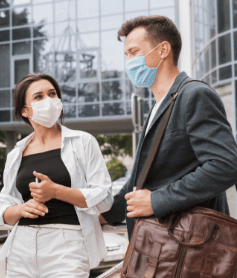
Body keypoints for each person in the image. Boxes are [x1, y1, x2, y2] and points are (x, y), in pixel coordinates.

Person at [99, 16, 237, 238]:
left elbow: (224, 166)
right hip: (161, 247)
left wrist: (156, 200)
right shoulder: (157, 107)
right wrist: (98, 217)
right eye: (126, 55)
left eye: (133, 52)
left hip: (191, 248)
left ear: (163, 50)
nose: (128, 61)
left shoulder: (194, 95)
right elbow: (137, 184)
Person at [0, 73, 113, 278]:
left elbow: (105, 199)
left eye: (52, 94)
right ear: (24, 110)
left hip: (67, 245)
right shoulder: (16, 154)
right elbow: (3, 210)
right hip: (21, 246)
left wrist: (56, 191)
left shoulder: (83, 142)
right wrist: (22, 208)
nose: (48, 101)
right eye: (38, 97)